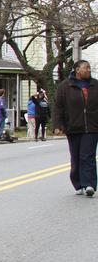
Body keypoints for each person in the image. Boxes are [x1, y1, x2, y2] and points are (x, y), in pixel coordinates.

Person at [52, 60, 98, 197]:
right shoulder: (65, 86)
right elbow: (58, 107)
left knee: (88, 155)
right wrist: (57, 125)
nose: (89, 70)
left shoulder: (95, 85)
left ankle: (89, 184)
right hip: (73, 126)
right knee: (76, 157)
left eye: (89, 68)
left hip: (92, 126)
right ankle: (78, 183)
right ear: (77, 70)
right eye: (86, 68)